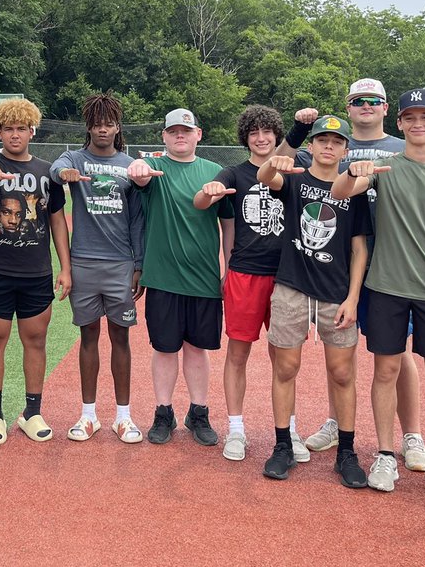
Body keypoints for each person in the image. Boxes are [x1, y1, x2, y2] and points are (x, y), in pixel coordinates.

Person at [331, 88, 425, 498]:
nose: (418, 124)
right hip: (386, 285)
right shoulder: (384, 167)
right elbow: (341, 193)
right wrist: (354, 173)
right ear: (399, 123)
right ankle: (385, 454)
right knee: (386, 370)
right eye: (410, 117)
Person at [299, 79, 425, 473]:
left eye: (374, 100)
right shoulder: (332, 142)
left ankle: (412, 434)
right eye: (359, 101)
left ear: (386, 108)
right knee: (338, 350)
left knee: (398, 353)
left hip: (391, 261)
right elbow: (285, 160)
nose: (367, 106)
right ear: (349, 106)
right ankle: (339, 422)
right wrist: (299, 126)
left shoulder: (401, 146)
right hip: (340, 261)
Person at [254, 116, 371, 487]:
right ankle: (283, 444)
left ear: (346, 150)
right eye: (322, 139)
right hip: (292, 287)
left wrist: (353, 298)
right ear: (312, 144)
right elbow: (264, 179)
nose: (328, 147)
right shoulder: (294, 179)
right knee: (285, 368)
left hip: (335, 293)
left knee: (342, 373)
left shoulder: (354, 191)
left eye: (336, 142)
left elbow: (359, 248)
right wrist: (276, 161)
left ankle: (346, 452)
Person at [196, 105, 314, 463]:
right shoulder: (233, 172)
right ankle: (236, 429)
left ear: (277, 136)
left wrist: (298, 131)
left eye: (267, 132)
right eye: (253, 133)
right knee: (238, 353)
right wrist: (210, 190)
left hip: (287, 276)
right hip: (245, 273)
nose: (261, 138)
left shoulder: (295, 171)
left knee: (285, 358)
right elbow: (201, 203)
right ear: (245, 138)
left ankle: (289, 430)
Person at [128, 108, 231, 447]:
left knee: (198, 349)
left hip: (203, 279)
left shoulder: (215, 172)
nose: (179, 135)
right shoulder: (155, 170)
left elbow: (228, 225)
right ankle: (163, 411)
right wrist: (138, 169)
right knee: (164, 348)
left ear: (198, 134)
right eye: (172, 131)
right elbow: (138, 176)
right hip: (163, 278)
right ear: (164, 137)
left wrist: (227, 270)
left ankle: (198, 412)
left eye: (185, 130)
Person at [0, 98, 71, 444]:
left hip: (36, 272)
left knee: (36, 341)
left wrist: (65, 267)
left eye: (21, 128)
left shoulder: (47, 171)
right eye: (8, 128)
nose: (15, 135)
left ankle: (32, 411)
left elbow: (57, 221)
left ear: (32, 131)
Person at [50, 93, 145, 444]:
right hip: (84, 263)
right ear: (88, 126)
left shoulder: (129, 164)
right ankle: (88, 415)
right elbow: (54, 170)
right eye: (97, 123)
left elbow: (137, 219)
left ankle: (124, 416)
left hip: (120, 263)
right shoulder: (75, 158)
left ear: (117, 126)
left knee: (121, 336)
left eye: (109, 123)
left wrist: (138, 264)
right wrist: (65, 173)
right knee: (88, 336)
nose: (102, 129)